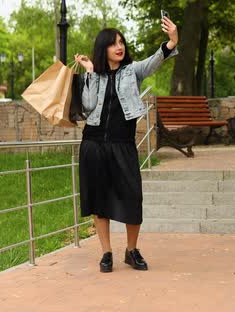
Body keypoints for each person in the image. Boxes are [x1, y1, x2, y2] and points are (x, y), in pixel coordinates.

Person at [74, 16, 178, 273]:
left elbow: (158, 58)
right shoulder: (94, 75)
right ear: (103, 49)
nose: (119, 47)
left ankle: (131, 250)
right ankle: (106, 252)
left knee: (133, 197)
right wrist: (89, 72)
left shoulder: (133, 71)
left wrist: (173, 39)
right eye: (112, 44)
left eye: (121, 42)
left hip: (123, 144)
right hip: (94, 144)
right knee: (99, 200)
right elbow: (87, 107)